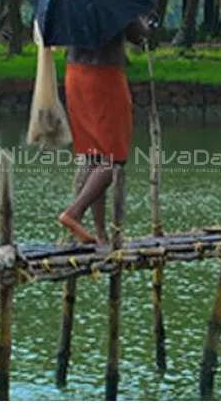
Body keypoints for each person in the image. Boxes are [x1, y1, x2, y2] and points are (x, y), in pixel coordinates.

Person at [57, 16, 151, 244]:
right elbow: (138, 35)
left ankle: (100, 233)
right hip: (104, 76)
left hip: (75, 73)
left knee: (94, 154)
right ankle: (74, 212)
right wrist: (144, 21)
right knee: (113, 158)